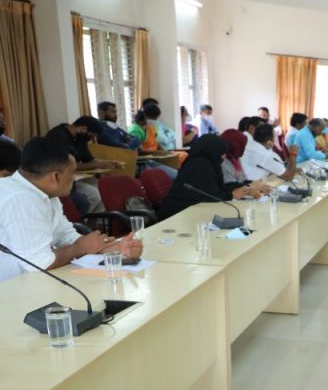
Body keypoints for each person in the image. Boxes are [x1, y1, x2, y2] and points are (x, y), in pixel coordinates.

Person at [0, 136, 142, 283]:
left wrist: (109, 249)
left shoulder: (45, 193)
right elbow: (39, 263)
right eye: (73, 173)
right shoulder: (19, 198)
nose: (75, 178)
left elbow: (65, 235)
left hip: (30, 283)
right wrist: (80, 248)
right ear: (55, 177)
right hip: (11, 289)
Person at [158, 134, 262, 221]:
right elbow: (206, 196)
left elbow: (218, 188)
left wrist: (245, 189)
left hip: (191, 211)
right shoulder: (199, 165)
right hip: (177, 215)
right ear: (213, 150)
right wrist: (231, 194)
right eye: (222, 152)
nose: (224, 156)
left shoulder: (210, 162)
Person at [46, 117, 119, 214]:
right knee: (94, 195)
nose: (91, 139)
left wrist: (109, 163)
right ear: (83, 128)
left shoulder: (80, 138)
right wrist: (98, 165)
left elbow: (89, 160)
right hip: (61, 181)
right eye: (91, 136)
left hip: (75, 178)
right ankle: (81, 220)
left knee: (105, 190)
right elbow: (66, 166)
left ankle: (94, 220)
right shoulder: (58, 137)